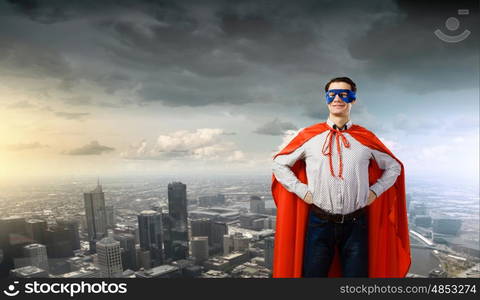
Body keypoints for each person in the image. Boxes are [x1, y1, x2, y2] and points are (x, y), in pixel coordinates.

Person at [271, 77, 410, 278]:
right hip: (319, 222)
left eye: (344, 94)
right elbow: (279, 163)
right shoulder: (310, 137)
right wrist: (302, 191)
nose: (337, 98)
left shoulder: (365, 138)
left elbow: (394, 167)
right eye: (332, 94)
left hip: (356, 224)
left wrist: (375, 191)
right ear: (326, 99)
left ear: (353, 100)